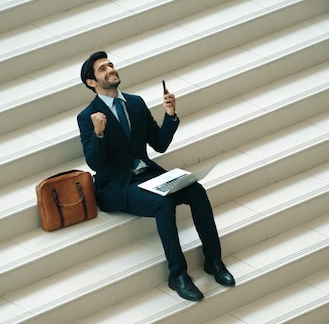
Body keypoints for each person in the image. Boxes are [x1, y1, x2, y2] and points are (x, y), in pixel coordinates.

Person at [76, 51, 235, 301]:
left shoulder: (136, 103)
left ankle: (213, 260)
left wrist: (170, 116)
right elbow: (95, 163)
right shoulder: (88, 117)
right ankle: (178, 275)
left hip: (148, 175)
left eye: (111, 65)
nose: (110, 70)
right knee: (164, 202)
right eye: (102, 69)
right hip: (119, 185)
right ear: (91, 82)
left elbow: (159, 145)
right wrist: (98, 134)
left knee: (196, 190)